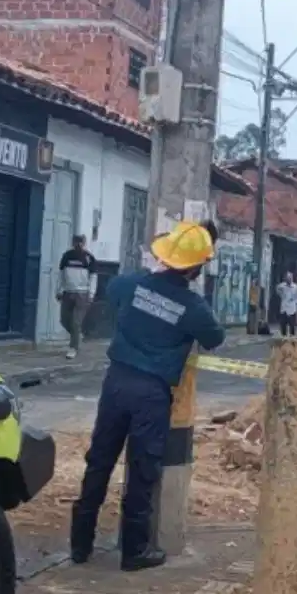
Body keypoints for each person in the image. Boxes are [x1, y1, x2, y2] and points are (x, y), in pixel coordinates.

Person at [69, 221, 225, 572]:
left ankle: (80, 545)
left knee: (100, 462)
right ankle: (134, 551)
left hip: (116, 383)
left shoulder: (130, 283)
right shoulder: (192, 306)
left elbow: (113, 295)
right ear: (197, 267)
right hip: (152, 394)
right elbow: (215, 338)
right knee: (143, 468)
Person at [57, 234, 97, 359]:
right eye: (76, 242)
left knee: (75, 322)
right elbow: (61, 275)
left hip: (82, 293)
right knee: (64, 320)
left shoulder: (89, 258)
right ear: (73, 242)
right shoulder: (67, 256)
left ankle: (73, 348)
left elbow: (93, 277)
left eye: (81, 242)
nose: (78, 244)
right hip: (68, 292)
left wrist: (91, 293)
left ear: (84, 243)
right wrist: (59, 290)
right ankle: (77, 336)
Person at [275, 271, 297, 336]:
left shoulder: (295, 287)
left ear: (292, 278)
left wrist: (296, 308)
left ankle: (292, 337)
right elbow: (277, 289)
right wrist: (281, 295)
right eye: (287, 278)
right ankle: (283, 337)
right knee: (283, 324)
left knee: (292, 325)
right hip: (284, 307)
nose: (289, 279)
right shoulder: (282, 286)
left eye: (290, 278)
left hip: (292, 308)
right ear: (285, 278)